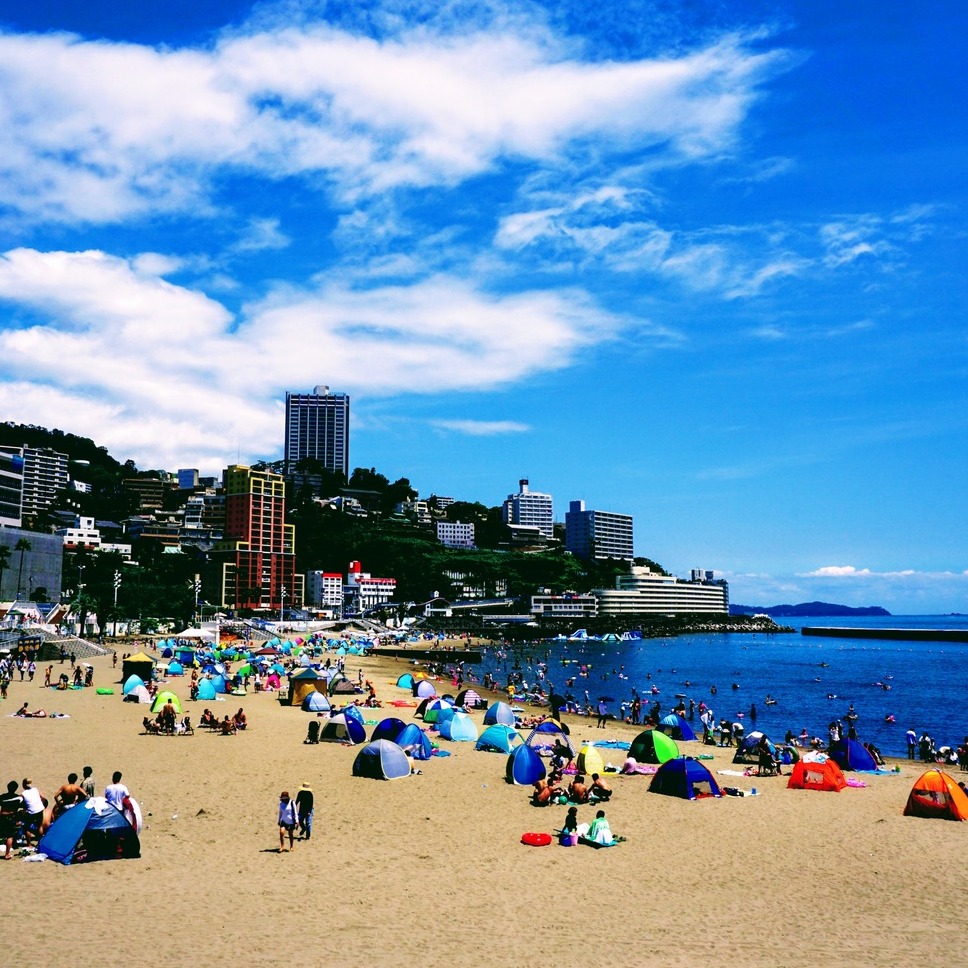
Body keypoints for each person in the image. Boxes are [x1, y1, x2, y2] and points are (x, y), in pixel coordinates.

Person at [0, 781, 24, 860]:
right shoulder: (18, 798)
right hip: (12, 817)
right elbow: (24, 807)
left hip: (3, 816)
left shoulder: (2, 796)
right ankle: (7, 854)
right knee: (9, 836)